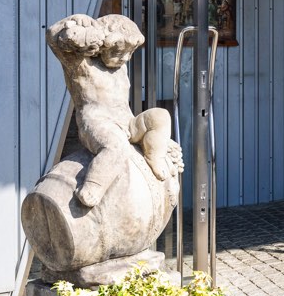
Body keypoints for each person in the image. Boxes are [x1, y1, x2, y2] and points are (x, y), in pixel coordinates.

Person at [47, 14, 183, 207]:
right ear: (104, 44)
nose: (125, 58)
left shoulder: (120, 67)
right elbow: (52, 36)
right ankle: (94, 185)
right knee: (116, 147)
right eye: (119, 52)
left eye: (130, 52)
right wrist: (76, 19)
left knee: (161, 116)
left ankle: (154, 155)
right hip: (98, 123)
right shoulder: (81, 65)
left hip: (127, 122)